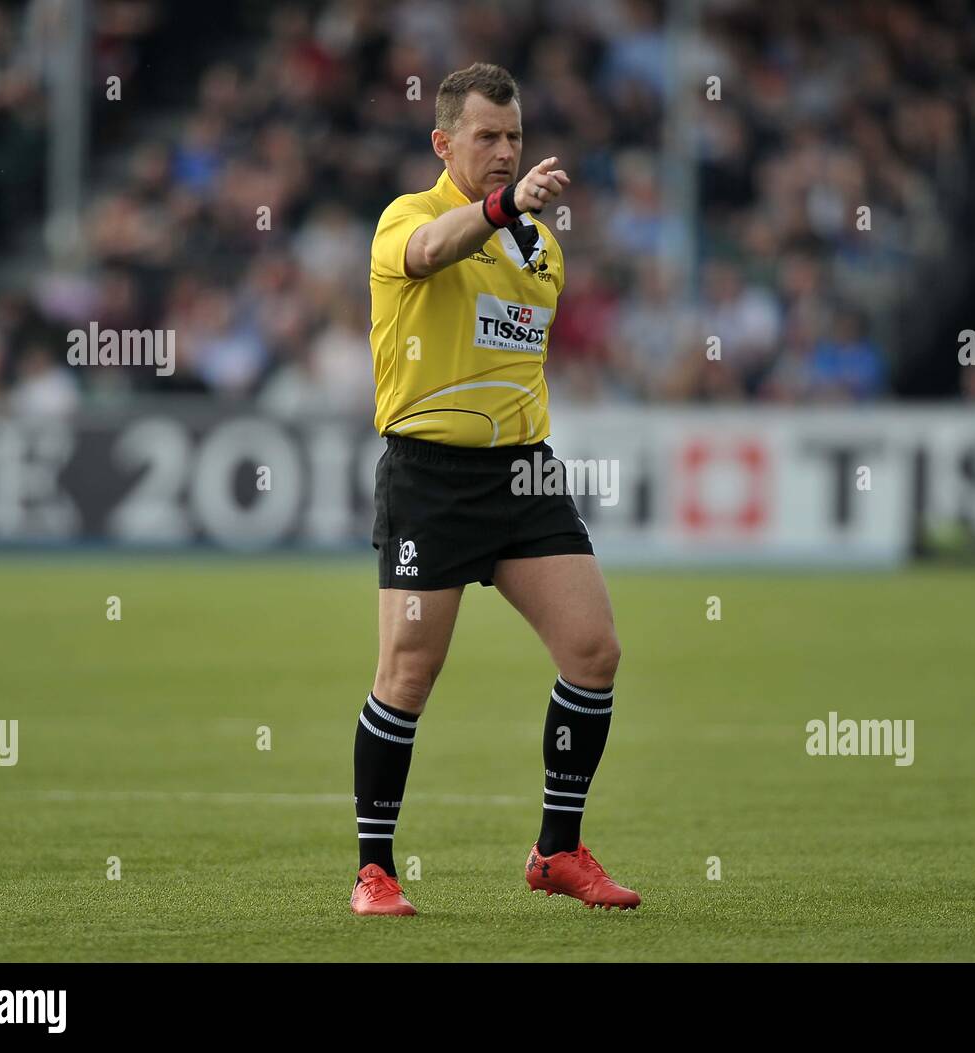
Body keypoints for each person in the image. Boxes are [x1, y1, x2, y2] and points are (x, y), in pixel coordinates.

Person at [351, 63, 640, 915]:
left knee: (594, 652)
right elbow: (436, 251)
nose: (505, 151)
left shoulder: (543, 247)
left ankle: (556, 849)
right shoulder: (410, 217)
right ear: (445, 144)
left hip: (522, 471)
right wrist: (499, 210)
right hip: (429, 477)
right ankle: (374, 869)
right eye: (488, 137)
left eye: (514, 136)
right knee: (408, 671)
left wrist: (512, 219)